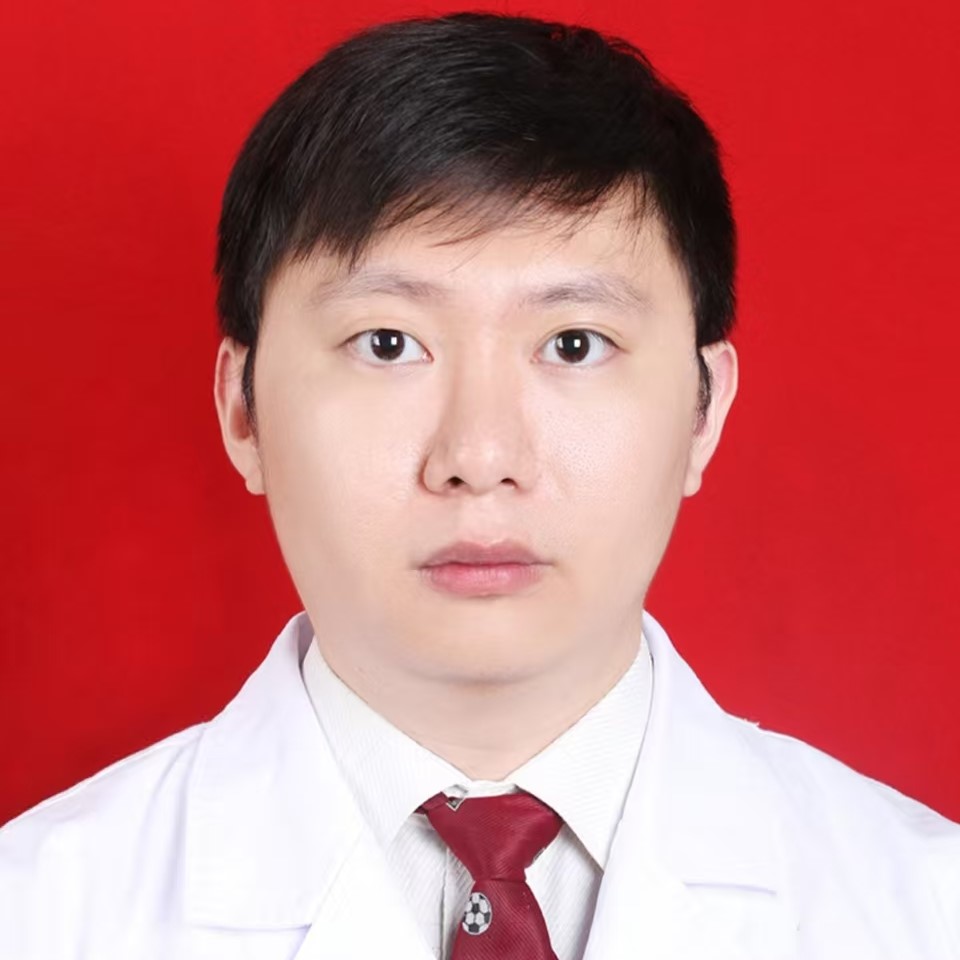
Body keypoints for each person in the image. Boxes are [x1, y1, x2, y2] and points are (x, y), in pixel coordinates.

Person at [1, 10, 958, 959]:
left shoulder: (924, 909)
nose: (480, 454)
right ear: (242, 410)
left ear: (703, 411)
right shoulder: (35, 915)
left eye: (574, 344)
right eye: (387, 343)